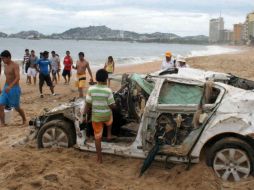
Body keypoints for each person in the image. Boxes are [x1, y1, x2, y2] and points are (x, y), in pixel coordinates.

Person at [84, 69, 116, 163]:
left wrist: (85, 115)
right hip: (106, 116)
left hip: (96, 118)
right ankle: (109, 134)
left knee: (97, 137)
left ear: (96, 78)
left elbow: (88, 104)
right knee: (110, 117)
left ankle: (99, 158)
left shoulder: (91, 89)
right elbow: (111, 105)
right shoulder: (108, 90)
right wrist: (115, 106)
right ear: (106, 79)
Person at [0, 50, 26, 127]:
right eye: (1, 58)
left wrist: (10, 87)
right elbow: (7, 78)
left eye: (3, 58)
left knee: (17, 107)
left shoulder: (15, 65)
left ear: (8, 57)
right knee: (0, 105)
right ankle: (3, 123)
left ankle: (24, 120)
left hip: (14, 88)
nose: (2, 60)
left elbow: (18, 77)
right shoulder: (5, 65)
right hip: (6, 87)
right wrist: (4, 88)